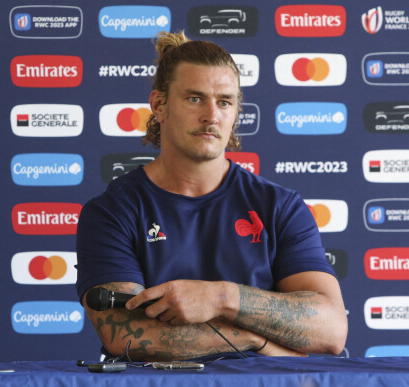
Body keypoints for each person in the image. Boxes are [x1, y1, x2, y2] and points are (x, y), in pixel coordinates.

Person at [76, 30, 347, 361]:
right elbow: (129, 336)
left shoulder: (280, 207)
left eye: (224, 101)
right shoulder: (111, 212)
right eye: (194, 99)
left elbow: (332, 329)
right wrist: (251, 339)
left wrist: (222, 298)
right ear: (159, 105)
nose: (211, 115)